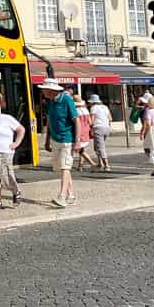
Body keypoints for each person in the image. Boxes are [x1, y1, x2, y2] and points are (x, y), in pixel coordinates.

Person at [40, 78, 80, 209]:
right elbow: (50, 122)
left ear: (51, 90)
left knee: (65, 167)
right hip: (55, 139)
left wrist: (77, 141)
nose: (42, 92)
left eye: (44, 90)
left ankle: (62, 196)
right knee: (62, 168)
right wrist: (47, 141)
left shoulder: (67, 100)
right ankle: (71, 195)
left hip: (66, 139)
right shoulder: (50, 102)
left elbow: (76, 120)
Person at [86, 95, 112, 172]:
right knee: (97, 147)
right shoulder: (105, 107)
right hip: (106, 128)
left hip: (98, 128)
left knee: (100, 147)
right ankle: (100, 163)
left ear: (93, 102)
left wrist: (90, 127)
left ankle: (106, 165)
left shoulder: (93, 108)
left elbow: (92, 121)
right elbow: (110, 118)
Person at [73, 94, 98, 171]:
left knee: (80, 150)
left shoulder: (75, 111)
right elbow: (90, 122)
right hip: (86, 131)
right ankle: (80, 166)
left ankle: (91, 163)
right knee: (82, 149)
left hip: (79, 131)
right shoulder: (86, 110)